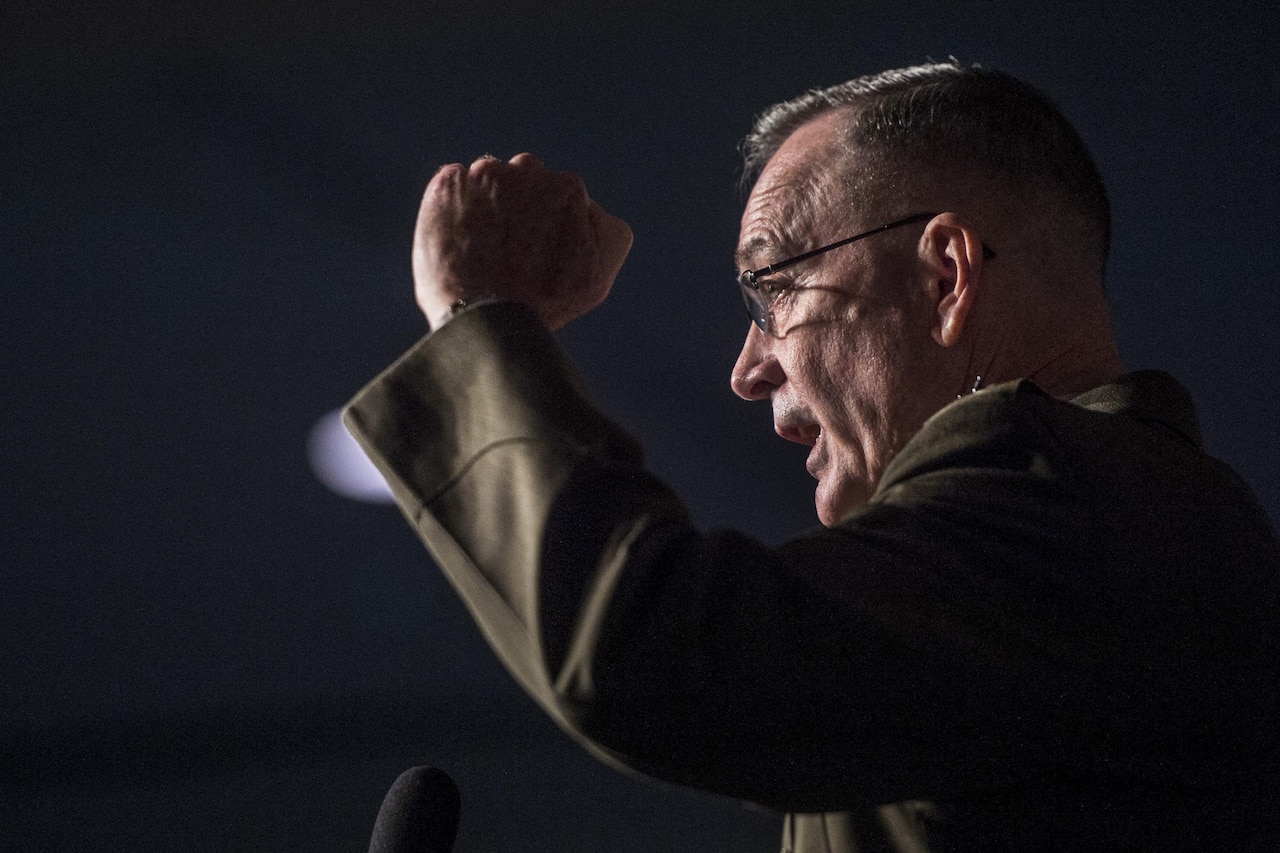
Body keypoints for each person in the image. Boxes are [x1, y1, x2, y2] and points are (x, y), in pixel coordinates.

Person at [344, 62, 1280, 851]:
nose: (748, 370)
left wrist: (478, 311)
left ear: (947, 276)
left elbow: (654, 649)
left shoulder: (1077, 504)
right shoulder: (1095, 538)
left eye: (774, 292)